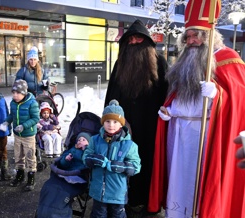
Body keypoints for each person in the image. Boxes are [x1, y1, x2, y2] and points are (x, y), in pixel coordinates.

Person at [149, 1, 245, 217]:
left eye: (197, 35)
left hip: (206, 135)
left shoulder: (228, 59)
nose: (191, 41)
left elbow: (240, 100)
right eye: (188, 37)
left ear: (209, 36)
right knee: (178, 178)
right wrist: (169, 110)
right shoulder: (184, 61)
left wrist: (219, 95)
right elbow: (179, 95)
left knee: (199, 179)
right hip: (179, 132)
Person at [104, 19, 168, 217]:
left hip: (150, 126)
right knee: (121, 161)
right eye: (130, 39)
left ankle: (145, 200)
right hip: (124, 125)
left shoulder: (159, 62)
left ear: (147, 42)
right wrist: (110, 117)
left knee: (146, 162)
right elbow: (112, 94)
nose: (133, 42)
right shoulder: (119, 64)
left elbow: (167, 94)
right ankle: (123, 199)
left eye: (138, 38)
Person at [83, 99, 141, 218]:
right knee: (99, 214)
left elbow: (136, 167)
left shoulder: (129, 145)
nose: (111, 125)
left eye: (115, 121)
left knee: (117, 215)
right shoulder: (95, 140)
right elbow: (85, 158)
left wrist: (121, 166)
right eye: (107, 121)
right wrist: (93, 159)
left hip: (117, 193)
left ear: (121, 123)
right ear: (103, 122)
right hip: (98, 191)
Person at [0, 79, 40, 191]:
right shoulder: (13, 103)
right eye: (13, 92)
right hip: (17, 135)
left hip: (28, 135)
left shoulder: (32, 103)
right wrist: (6, 122)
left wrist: (24, 126)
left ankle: (31, 178)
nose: (15, 95)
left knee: (30, 156)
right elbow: (12, 115)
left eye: (18, 93)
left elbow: (36, 118)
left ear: (24, 93)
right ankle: (20, 175)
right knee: (18, 155)